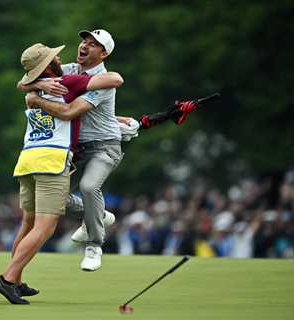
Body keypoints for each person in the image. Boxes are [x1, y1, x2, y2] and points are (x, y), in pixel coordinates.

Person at [23, 29, 198, 271]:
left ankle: (95, 246)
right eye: (84, 41)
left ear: (103, 53)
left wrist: (34, 96)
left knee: (88, 187)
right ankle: (99, 214)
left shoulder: (105, 82)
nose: (84, 46)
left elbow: (72, 111)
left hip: (105, 147)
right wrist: (39, 83)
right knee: (56, 198)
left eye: (93, 44)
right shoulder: (71, 69)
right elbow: (23, 81)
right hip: (77, 150)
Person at [0, 43, 124, 304]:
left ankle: (16, 280)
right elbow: (115, 79)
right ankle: (7, 279)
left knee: (27, 224)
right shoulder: (68, 81)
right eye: (54, 57)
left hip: (27, 160)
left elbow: (23, 86)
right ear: (49, 65)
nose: (59, 58)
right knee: (44, 227)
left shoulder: (31, 87)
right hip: (52, 161)